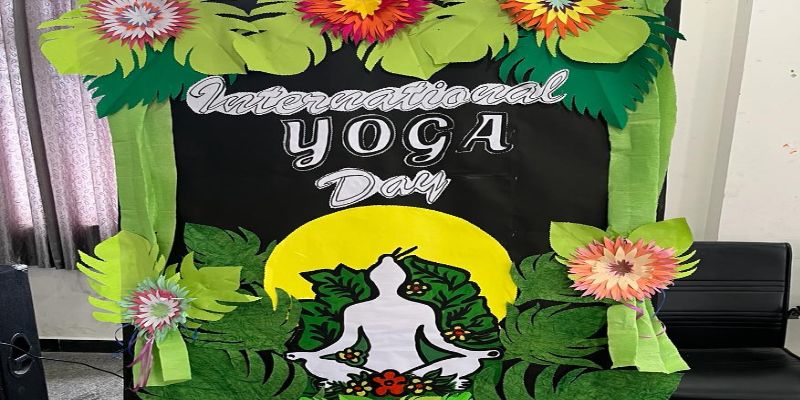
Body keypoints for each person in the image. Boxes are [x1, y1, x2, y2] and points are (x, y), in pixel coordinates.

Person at [286, 252, 501, 388]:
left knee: (468, 362)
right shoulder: (356, 310)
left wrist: (475, 353)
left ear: (401, 280)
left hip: (417, 369)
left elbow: (438, 342)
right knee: (318, 364)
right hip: (371, 371)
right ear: (373, 280)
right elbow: (343, 343)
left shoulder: (422, 309)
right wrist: (311, 355)